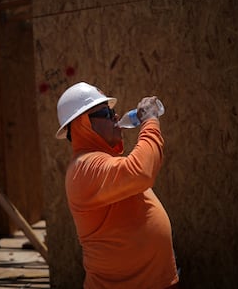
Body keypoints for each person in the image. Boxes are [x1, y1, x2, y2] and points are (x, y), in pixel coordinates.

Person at [56, 81, 179, 289]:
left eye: (112, 111)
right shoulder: (83, 167)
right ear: (83, 124)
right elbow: (141, 172)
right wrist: (149, 121)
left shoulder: (102, 161)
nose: (114, 116)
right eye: (105, 113)